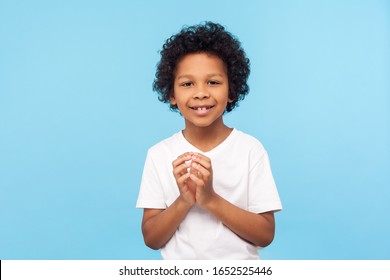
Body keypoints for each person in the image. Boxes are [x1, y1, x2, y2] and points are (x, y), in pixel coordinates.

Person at [136, 22, 282, 259]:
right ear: (172, 94)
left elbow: (265, 234)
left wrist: (210, 199)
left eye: (213, 82)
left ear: (231, 90)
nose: (201, 92)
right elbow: (151, 239)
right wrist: (184, 200)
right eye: (187, 84)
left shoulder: (250, 150)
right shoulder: (159, 154)